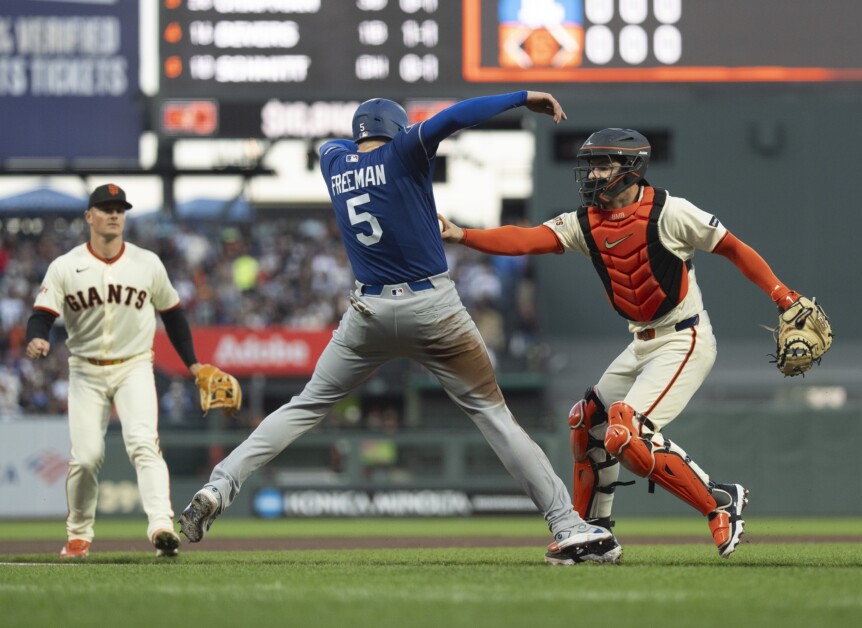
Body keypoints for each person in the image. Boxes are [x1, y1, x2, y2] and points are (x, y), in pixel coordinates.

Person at [178, 91, 618, 565]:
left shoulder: (334, 164)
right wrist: (521, 97)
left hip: (367, 312)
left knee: (304, 405)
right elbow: (453, 117)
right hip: (432, 307)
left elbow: (332, 148)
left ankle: (219, 486)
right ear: (396, 127)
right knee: (494, 416)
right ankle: (567, 524)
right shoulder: (405, 148)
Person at [441, 127, 813, 560]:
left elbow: (733, 248)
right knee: (587, 422)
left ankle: (720, 503)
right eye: (592, 165)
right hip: (641, 342)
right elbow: (527, 239)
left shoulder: (670, 211)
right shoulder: (585, 222)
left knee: (624, 432)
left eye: (602, 164)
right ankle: (590, 534)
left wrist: (783, 296)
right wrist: (463, 234)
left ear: (631, 168)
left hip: (683, 337)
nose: (593, 174)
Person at [25, 183, 207, 559]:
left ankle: (161, 527)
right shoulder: (65, 265)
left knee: (144, 445)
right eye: (105, 208)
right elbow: (41, 315)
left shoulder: (147, 263)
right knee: (87, 456)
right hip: (85, 371)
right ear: (89, 217)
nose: (113, 214)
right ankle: (78, 535)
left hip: (134, 366)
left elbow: (174, 315)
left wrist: (193, 362)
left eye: (119, 209)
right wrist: (38, 338)